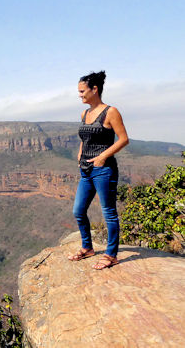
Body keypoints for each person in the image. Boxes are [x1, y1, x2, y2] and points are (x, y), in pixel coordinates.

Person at [68, 70, 129, 269]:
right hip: (85, 170)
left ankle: (111, 254)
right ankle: (88, 248)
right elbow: (85, 138)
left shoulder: (110, 112)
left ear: (95, 89)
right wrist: (80, 154)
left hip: (104, 170)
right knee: (78, 210)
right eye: (79, 91)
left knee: (109, 213)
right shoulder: (84, 113)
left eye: (82, 91)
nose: (80, 95)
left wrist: (103, 156)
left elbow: (124, 139)